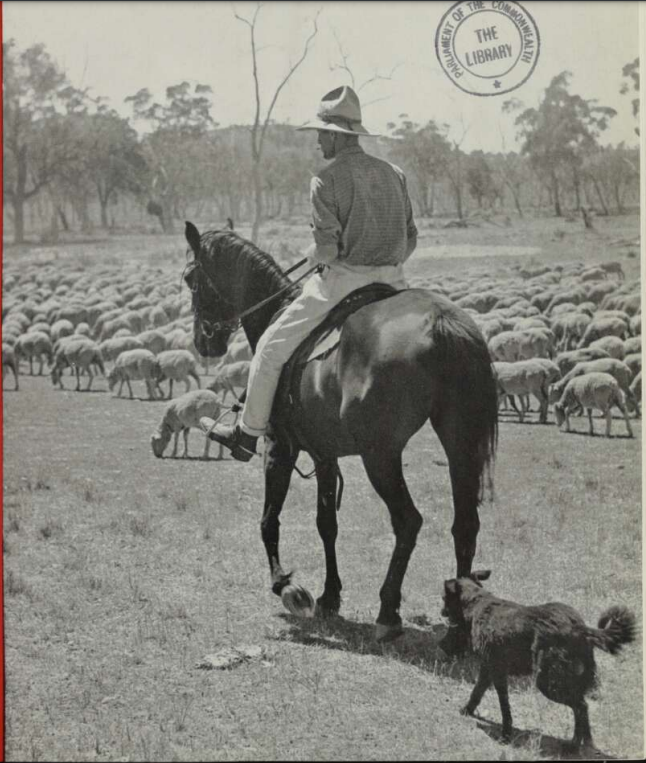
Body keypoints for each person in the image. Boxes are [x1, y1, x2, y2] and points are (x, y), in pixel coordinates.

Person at [200, 85, 418, 461]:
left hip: (343, 282)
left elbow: (328, 252)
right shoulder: (393, 173)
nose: (317, 141)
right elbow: (411, 238)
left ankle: (247, 433)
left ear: (334, 134)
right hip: (396, 283)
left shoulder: (325, 179)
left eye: (321, 133)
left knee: (268, 350)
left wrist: (313, 254)